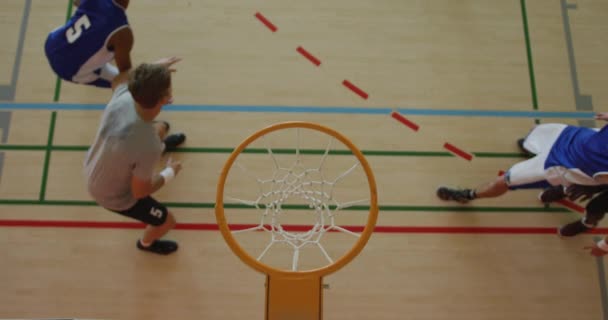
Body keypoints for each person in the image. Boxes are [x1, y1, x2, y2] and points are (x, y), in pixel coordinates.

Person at [437, 113, 608, 234]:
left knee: (503, 182)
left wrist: (592, 187)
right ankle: (533, 150)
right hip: (569, 137)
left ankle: (468, 195)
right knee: (536, 132)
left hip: (561, 166)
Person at [84, 57, 186, 255]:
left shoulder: (124, 93)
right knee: (167, 221)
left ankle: (157, 148)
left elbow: (121, 79)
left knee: (162, 128)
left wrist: (154, 69)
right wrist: (169, 173)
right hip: (112, 195)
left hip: (95, 163)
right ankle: (146, 244)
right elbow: (140, 193)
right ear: (165, 99)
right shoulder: (148, 145)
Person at [44, 0, 133, 88]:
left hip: (52, 43)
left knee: (97, 33)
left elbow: (76, 2)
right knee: (130, 83)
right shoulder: (123, 32)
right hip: (67, 69)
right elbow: (125, 72)